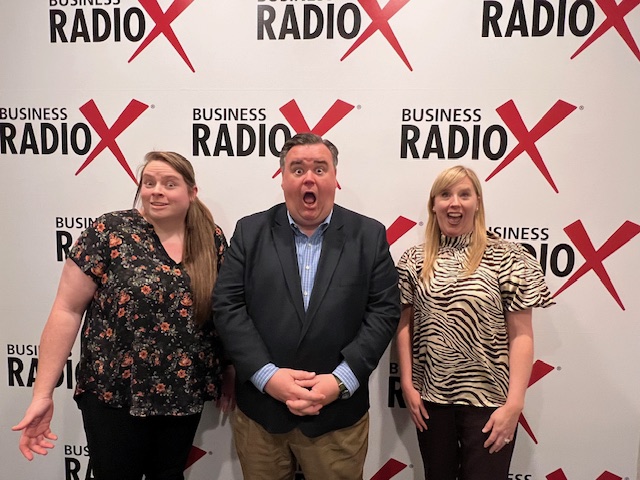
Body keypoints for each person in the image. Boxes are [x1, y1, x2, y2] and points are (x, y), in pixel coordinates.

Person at [12, 151, 233, 480]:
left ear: (192, 192)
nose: (156, 191)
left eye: (169, 184)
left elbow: (222, 311)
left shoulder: (211, 238)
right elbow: (66, 310)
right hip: (113, 394)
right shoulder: (109, 231)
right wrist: (42, 394)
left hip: (182, 394)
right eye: (149, 182)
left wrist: (229, 367)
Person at [212, 132, 400, 480]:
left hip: (337, 417)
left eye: (320, 169)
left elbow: (384, 311)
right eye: (297, 169)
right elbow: (227, 305)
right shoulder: (250, 232)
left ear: (335, 178)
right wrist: (267, 376)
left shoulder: (369, 235)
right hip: (262, 415)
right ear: (283, 179)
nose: (309, 178)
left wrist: (340, 380)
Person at [395, 165, 555, 480]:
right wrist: (408, 385)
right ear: (433, 204)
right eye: (445, 194)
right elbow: (403, 326)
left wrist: (514, 404)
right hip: (431, 403)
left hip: (490, 404)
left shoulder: (509, 257)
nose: (454, 203)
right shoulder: (413, 260)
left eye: (464, 194)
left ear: (478, 202)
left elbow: (522, 335)